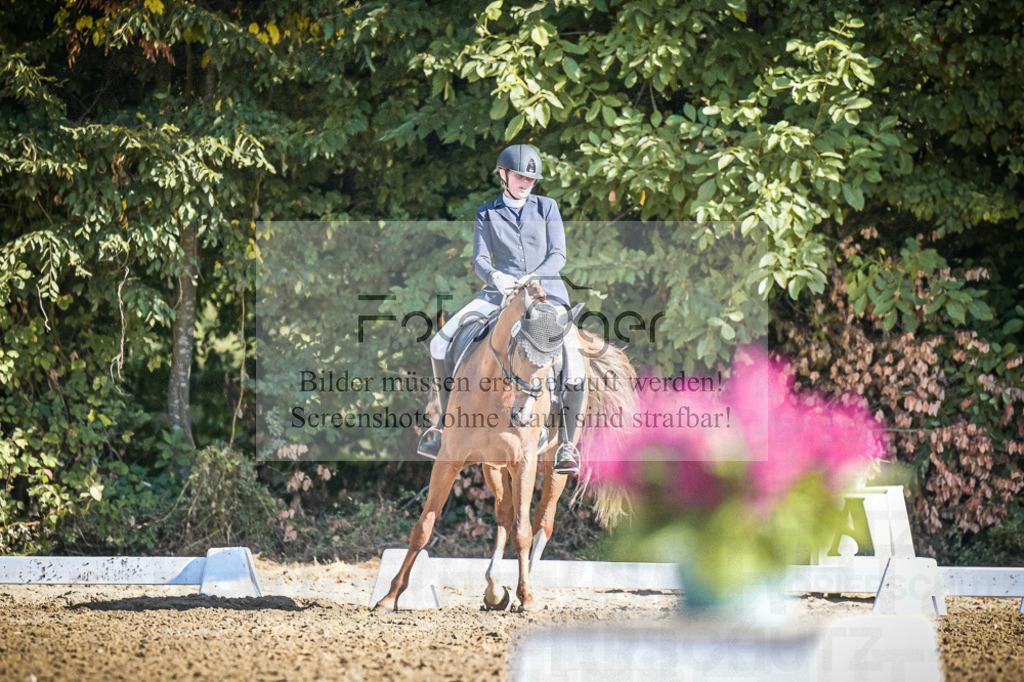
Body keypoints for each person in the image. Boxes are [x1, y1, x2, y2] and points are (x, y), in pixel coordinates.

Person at [417, 144, 587, 474]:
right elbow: (480, 259)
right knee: (439, 343)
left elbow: (559, 255)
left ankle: (566, 444)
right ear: (503, 175)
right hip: (500, 294)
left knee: (574, 361)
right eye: (521, 176)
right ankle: (442, 425)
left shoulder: (547, 207)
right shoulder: (487, 212)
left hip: (546, 294)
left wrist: (532, 277)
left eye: (531, 178)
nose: (526, 182)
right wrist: (497, 276)